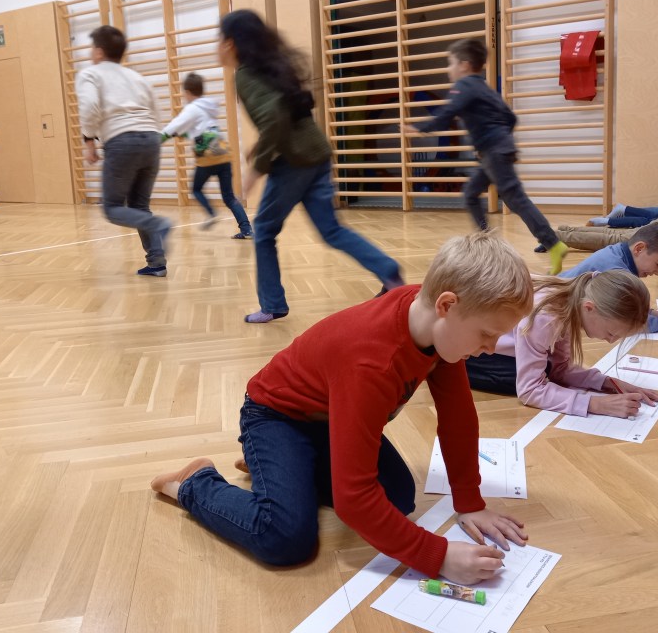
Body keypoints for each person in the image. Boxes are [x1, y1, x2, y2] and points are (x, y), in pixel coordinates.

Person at [151, 232, 532, 584]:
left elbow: (458, 420)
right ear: (446, 305)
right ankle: (195, 483)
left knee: (397, 500)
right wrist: (438, 556)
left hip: (329, 416)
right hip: (275, 415)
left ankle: (282, 468)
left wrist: (470, 503)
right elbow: (354, 501)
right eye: (487, 334)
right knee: (284, 539)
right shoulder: (371, 363)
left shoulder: (435, 322)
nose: (491, 348)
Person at [220, 10, 403, 323]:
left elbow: (275, 117)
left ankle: (272, 304)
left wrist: (255, 170)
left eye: (220, 39)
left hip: (294, 163)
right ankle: (388, 272)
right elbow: (285, 115)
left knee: (264, 230)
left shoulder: (246, 75)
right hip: (316, 152)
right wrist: (260, 146)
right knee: (331, 230)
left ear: (231, 43)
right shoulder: (272, 66)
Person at [408, 39, 570, 274]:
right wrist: (500, 140)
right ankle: (487, 244)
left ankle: (553, 243)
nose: (448, 68)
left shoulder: (464, 86)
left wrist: (419, 129)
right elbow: (510, 118)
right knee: (471, 194)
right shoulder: (483, 87)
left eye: (451, 63)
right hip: (495, 151)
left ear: (464, 65)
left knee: (515, 200)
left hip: (494, 152)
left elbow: (447, 113)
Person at [466, 270, 658, 419]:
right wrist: (594, 404)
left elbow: (560, 368)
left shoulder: (573, 302)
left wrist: (607, 383)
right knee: (534, 375)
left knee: (547, 370)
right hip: (466, 353)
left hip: (488, 343)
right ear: (589, 308)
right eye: (611, 333)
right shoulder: (546, 317)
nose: (611, 341)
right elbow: (528, 391)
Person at [77, 25, 172, 277]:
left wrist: (89, 141)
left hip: (121, 140)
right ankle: (156, 262)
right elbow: (156, 110)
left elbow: (89, 107)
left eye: (92, 47)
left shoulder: (90, 74)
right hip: (151, 139)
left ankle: (158, 225)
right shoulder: (136, 77)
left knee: (112, 208)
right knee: (140, 205)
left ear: (99, 51)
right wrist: (149, 139)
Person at [560, 220, 658, 333]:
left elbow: (627, 305)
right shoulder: (617, 272)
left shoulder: (619, 252)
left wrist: (651, 313)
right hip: (557, 308)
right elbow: (626, 319)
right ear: (639, 249)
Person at [162, 72, 252, 239]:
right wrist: (183, 134)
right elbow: (199, 129)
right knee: (229, 197)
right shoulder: (209, 107)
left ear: (187, 92)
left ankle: (211, 213)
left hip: (208, 157)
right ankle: (247, 229)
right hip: (224, 154)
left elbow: (175, 126)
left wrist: (159, 138)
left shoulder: (192, 108)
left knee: (196, 189)